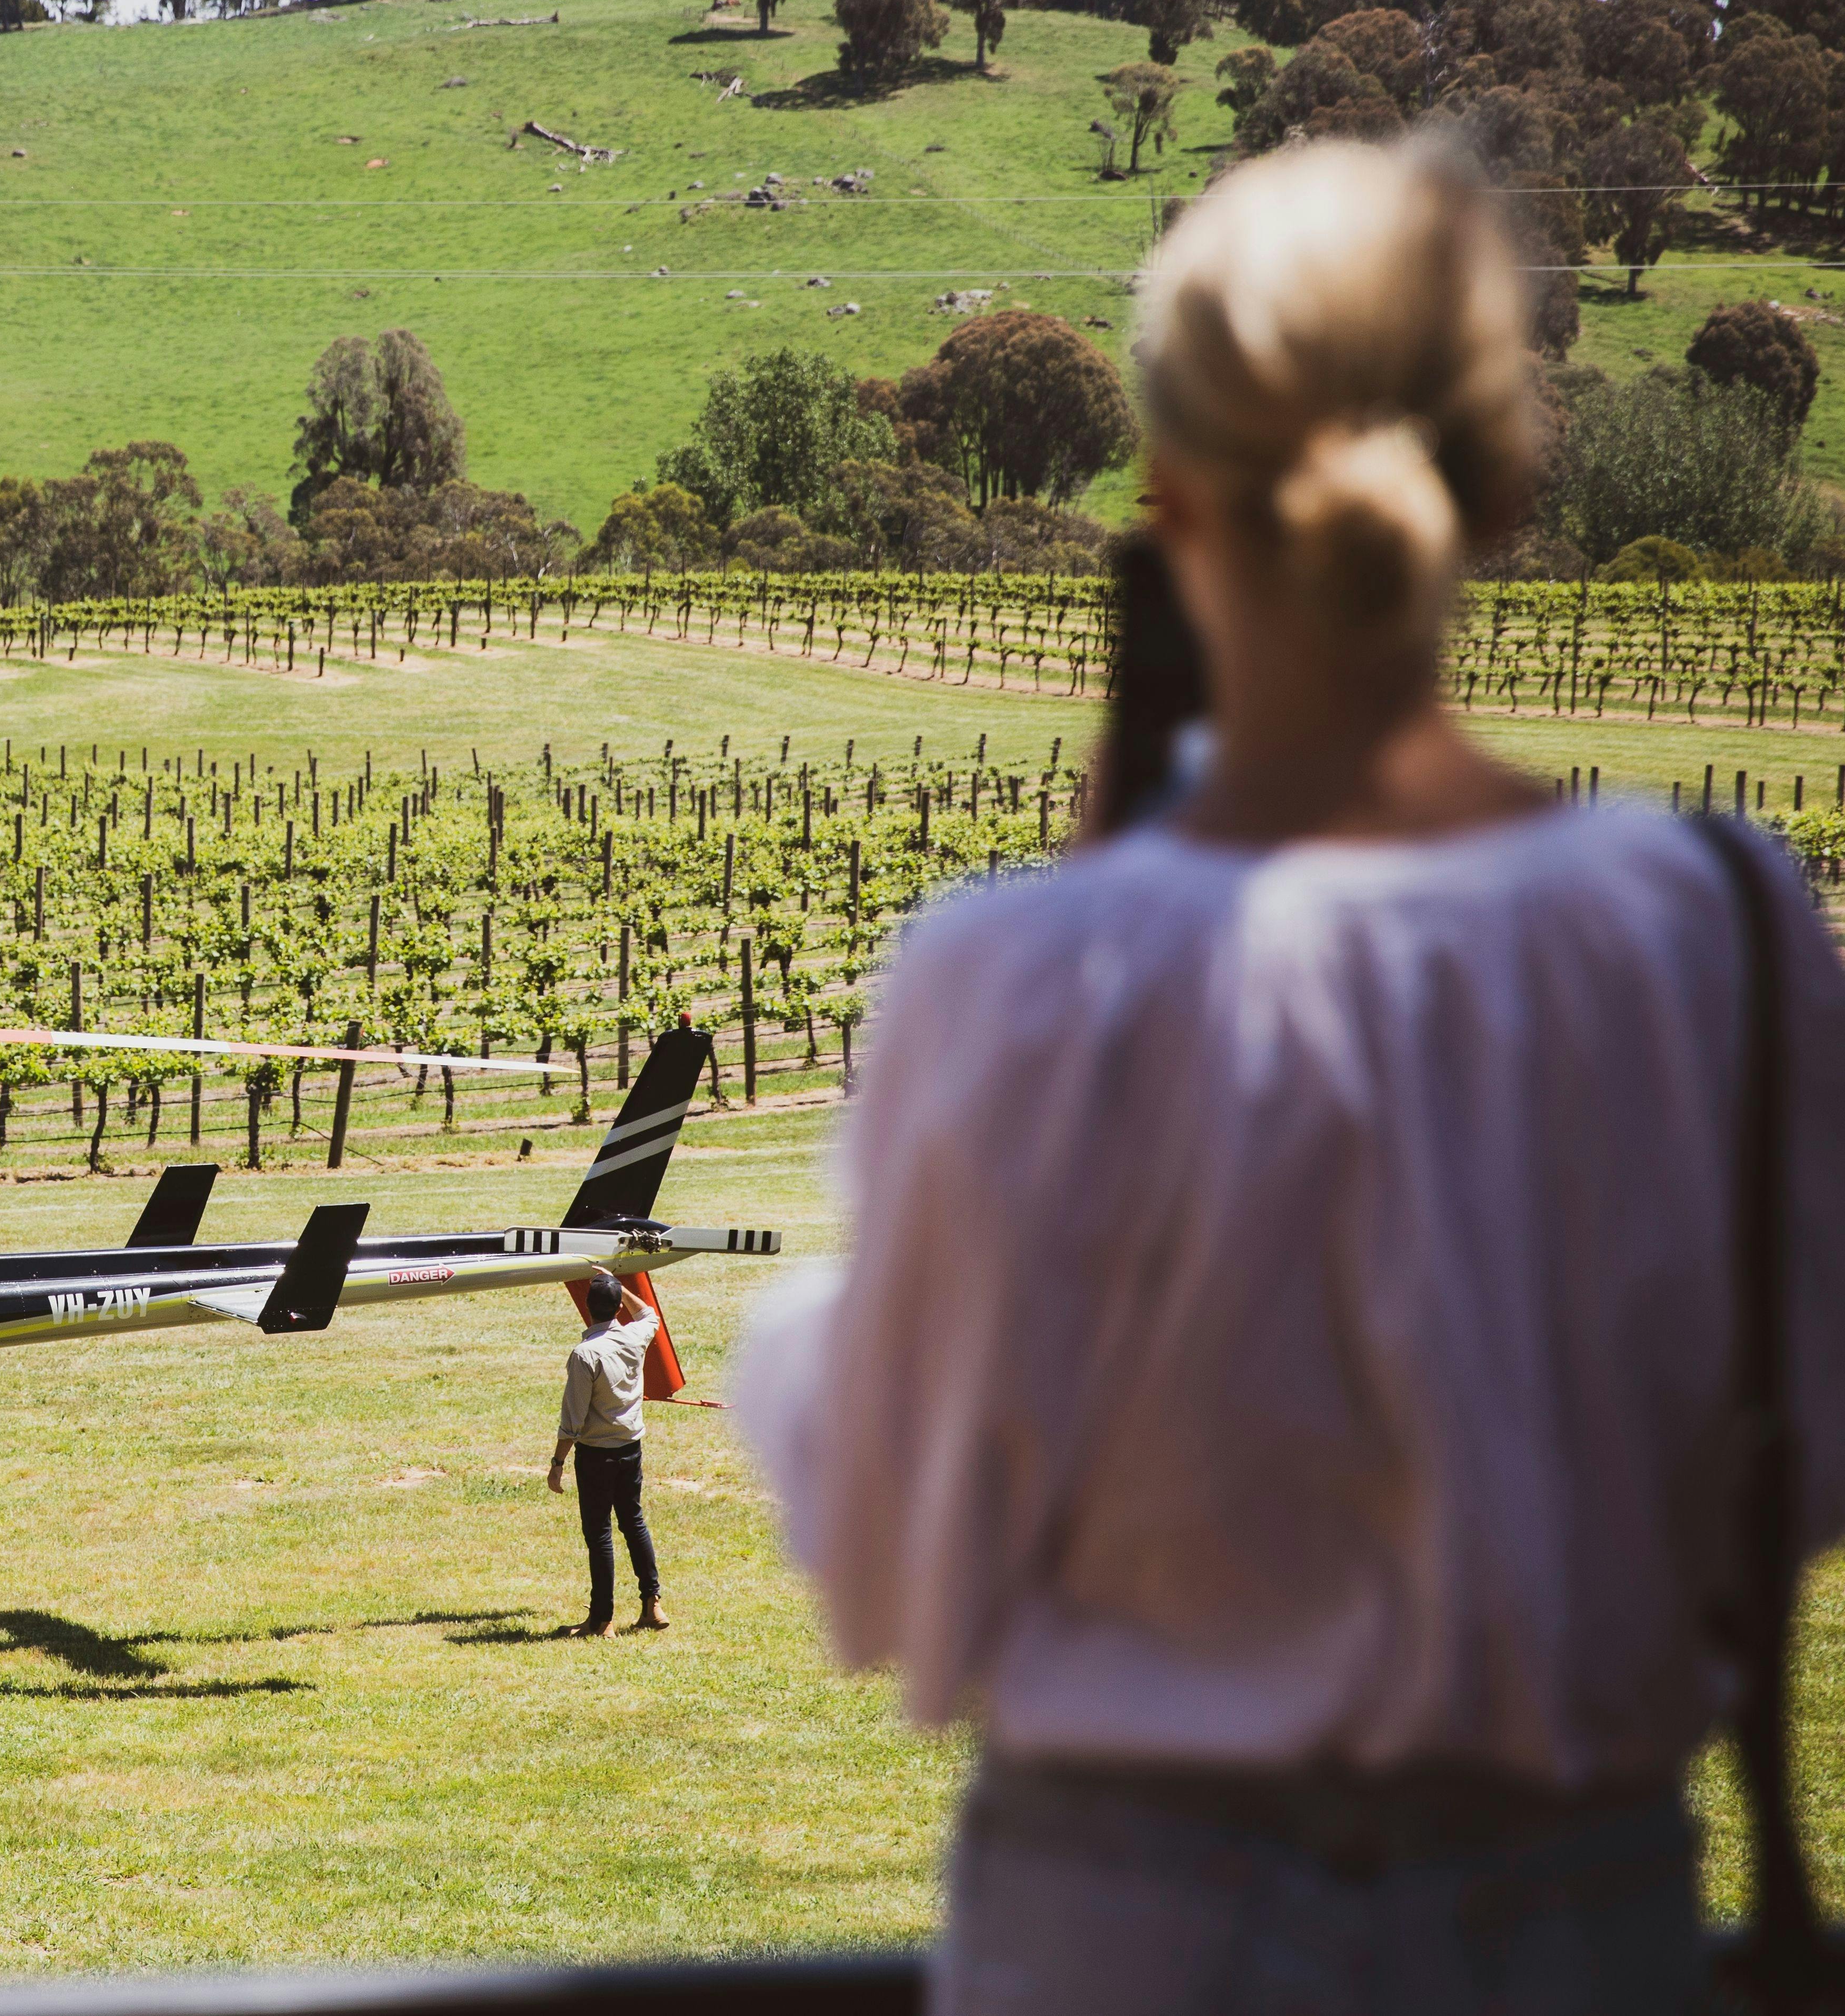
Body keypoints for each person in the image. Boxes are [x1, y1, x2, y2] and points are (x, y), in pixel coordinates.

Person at [735, 138, 1845, 2013]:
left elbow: (889, 1576)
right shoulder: (1714, 928)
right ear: (1499, 489)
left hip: (1114, 1921)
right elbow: (1801, 1455)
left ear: (1165, 504)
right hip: (1572, 1914)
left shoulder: (1009, 972)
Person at [551, 1271, 669, 1637]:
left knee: (600, 1533)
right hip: (631, 1449)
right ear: (618, 1307)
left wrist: (557, 1464)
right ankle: (652, 1603)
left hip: (597, 1455)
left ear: (587, 1308)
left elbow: (573, 1420)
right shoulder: (634, 1337)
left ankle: (602, 1620)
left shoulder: (585, 1354)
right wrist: (620, 1289)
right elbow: (649, 1314)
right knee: (634, 1522)